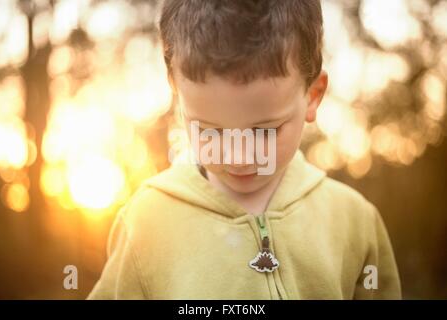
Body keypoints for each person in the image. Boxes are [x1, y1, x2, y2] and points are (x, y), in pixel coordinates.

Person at [88, 0, 401, 299]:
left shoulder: (354, 222)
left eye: (264, 132)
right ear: (176, 89)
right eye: (210, 130)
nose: (238, 157)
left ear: (313, 95)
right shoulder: (145, 223)